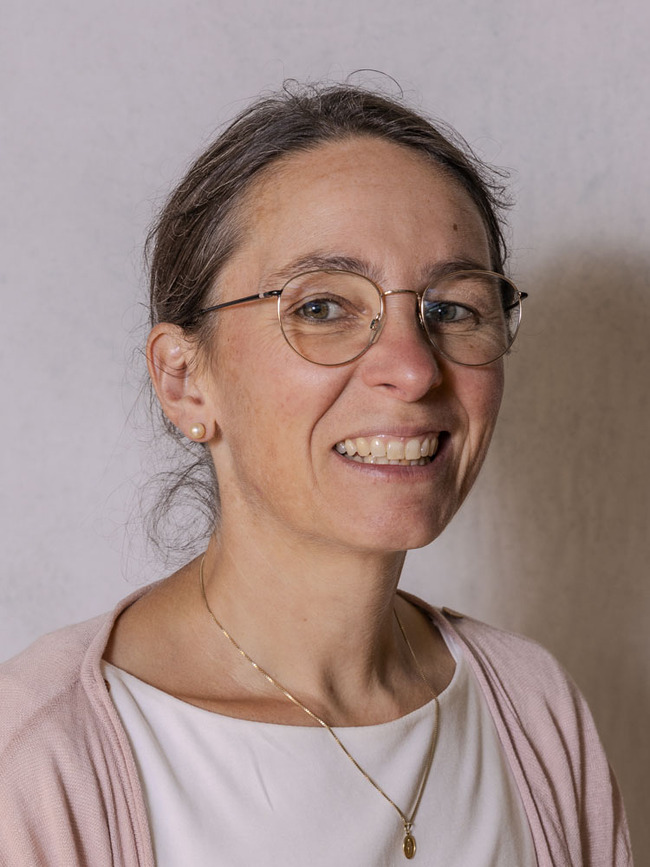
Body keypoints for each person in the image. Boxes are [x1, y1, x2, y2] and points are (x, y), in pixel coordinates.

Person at [0, 82, 632, 866]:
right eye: (323, 308)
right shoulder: (38, 758)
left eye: (452, 308)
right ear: (184, 379)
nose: (412, 368)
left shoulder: (535, 710)